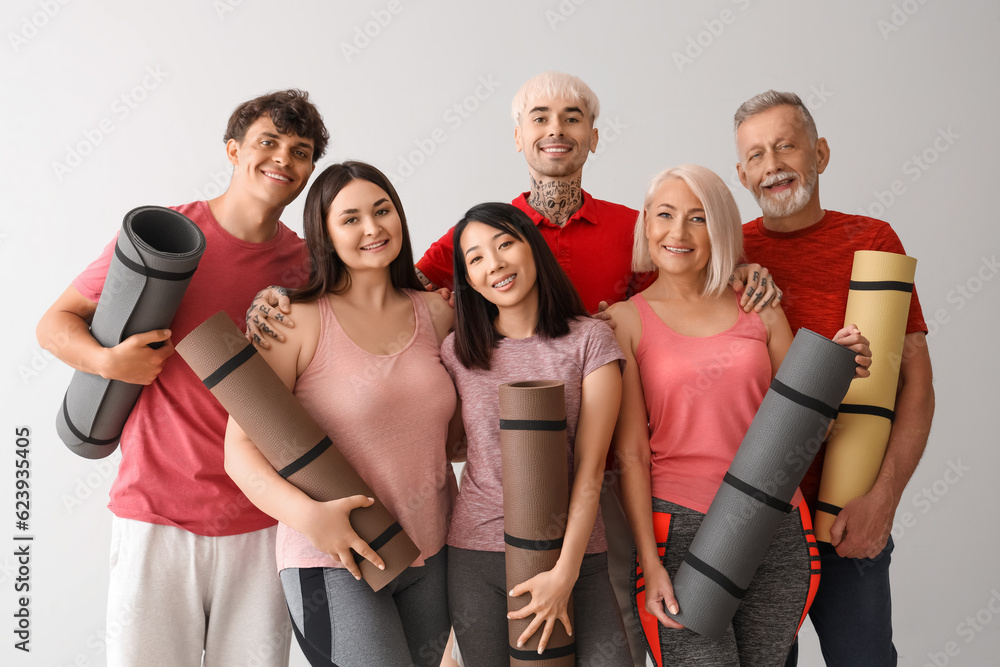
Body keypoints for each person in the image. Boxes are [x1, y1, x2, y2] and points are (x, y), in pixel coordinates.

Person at [35, 90, 329, 666]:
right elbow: (53, 324)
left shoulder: (308, 265)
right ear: (233, 149)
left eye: (300, 151)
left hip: (260, 520)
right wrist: (108, 362)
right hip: (155, 514)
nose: (282, 159)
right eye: (267, 142)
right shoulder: (169, 239)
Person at [609, 165, 871, 666]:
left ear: (722, 229)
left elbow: (812, 421)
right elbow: (632, 451)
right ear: (646, 223)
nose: (678, 232)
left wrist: (845, 365)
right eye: (664, 215)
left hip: (775, 525)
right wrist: (650, 560)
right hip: (678, 531)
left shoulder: (761, 307)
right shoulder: (624, 320)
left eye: (698, 218)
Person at [224, 161, 457, 667]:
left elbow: (456, 436)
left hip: (431, 554)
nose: (372, 228)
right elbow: (239, 451)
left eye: (382, 211)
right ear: (324, 234)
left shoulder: (437, 314)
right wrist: (311, 518)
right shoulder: (292, 320)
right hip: (331, 557)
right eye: (350, 218)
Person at [733, 90, 934, 667]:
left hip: (849, 511)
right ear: (741, 173)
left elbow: (916, 387)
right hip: (756, 519)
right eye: (756, 155)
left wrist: (883, 500)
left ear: (820, 153)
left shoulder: (871, 243)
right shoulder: (728, 253)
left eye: (786, 146)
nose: (772, 165)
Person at [442, 202, 632, 666]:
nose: (496, 264)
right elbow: (449, 444)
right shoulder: (457, 353)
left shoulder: (590, 341)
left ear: (533, 246)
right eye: (476, 258)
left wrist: (564, 573)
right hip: (480, 556)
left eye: (505, 243)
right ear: (467, 279)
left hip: (577, 556)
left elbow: (591, 470)